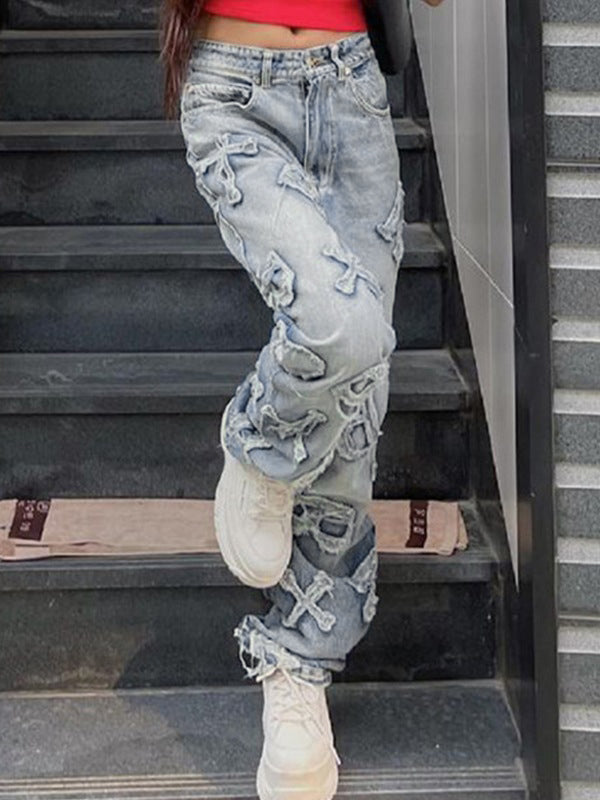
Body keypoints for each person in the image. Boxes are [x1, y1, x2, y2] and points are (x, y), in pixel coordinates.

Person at [159, 2, 443, 798]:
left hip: (349, 87)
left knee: (358, 401)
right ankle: (263, 445)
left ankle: (299, 662)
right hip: (234, 90)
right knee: (341, 328)